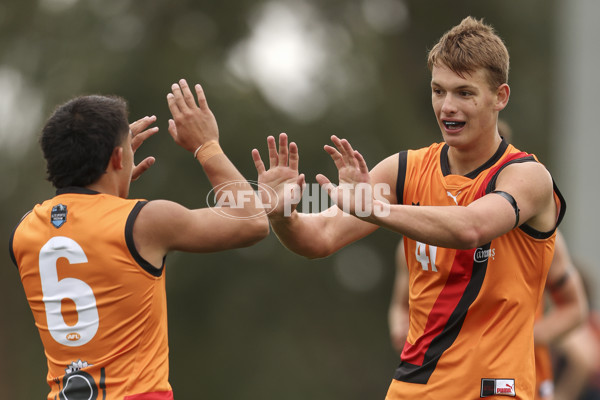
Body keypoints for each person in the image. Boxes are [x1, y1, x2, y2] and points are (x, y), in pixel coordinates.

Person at [252, 17, 565, 399]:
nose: (447, 107)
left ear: (500, 97)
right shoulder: (404, 170)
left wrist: (378, 210)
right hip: (411, 389)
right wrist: (282, 215)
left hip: (492, 390)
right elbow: (319, 238)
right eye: (438, 91)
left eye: (464, 93)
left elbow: (472, 228)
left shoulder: (527, 176)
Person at [9, 79, 269, 400]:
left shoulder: (24, 231)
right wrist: (206, 144)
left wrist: (109, 180)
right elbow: (252, 221)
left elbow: (76, 221)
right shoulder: (145, 222)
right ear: (119, 159)